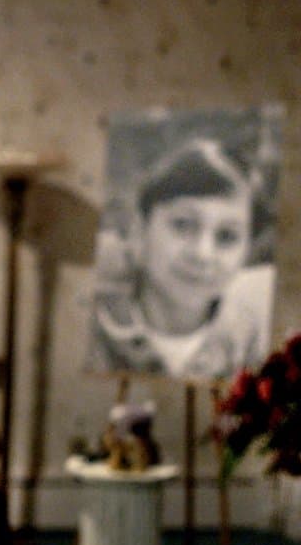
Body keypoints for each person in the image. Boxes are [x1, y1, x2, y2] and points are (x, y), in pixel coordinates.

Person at [88, 137, 274, 379]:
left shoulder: (254, 348)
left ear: (247, 251)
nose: (202, 254)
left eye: (227, 236)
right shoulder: (92, 326)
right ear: (140, 230)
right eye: (183, 224)